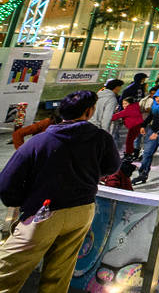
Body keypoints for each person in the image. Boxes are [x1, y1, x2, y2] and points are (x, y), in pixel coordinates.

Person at [0, 90, 119, 293]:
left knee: (9, 268)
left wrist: (23, 201)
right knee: (60, 272)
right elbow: (111, 167)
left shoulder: (39, 142)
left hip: (44, 212)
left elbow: (6, 183)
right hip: (82, 210)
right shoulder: (101, 138)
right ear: (89, 112)